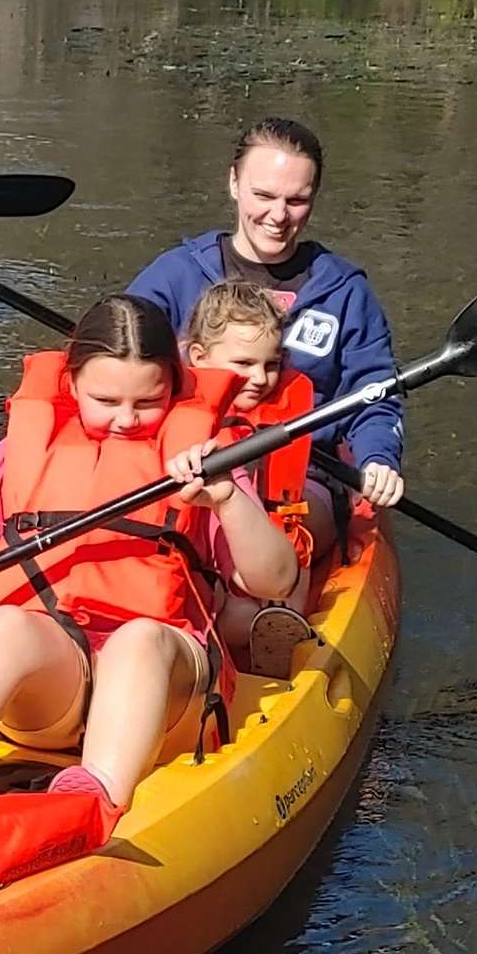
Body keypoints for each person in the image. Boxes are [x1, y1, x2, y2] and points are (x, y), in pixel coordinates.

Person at [0, 294, 301, 816]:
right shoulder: (22, 452)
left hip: (166, 689)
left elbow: (274, 581)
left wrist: (227, 498)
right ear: (71, 385)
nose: (126, 419)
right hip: (53, 687)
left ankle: (93, 803)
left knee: (138, 641)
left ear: (176, 388)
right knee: (7, 625)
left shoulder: (207, 461)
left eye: (147, 402)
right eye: (106, 400)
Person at [125, 118, 405, 560]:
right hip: (185, 465)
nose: (278, 216)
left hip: (301, 474)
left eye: (297, 201)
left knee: (273, 522)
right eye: (264, 195)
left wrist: (378, 458)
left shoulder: (346, 291)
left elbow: (375, 396)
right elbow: (119, 365)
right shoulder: (174, 275)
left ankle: (267, 601)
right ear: (234, 183)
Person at [181, 280, 321, 675]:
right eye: (244, 364)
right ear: (198, 356)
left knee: (294, 541)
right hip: (205, 556)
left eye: (272, 364)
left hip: (263, 549)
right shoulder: (169, 409)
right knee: (233, 614)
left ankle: (282, 633)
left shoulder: (282, 409)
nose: (261, 378)